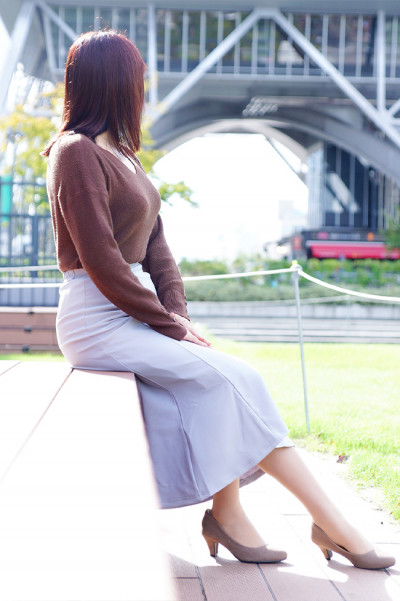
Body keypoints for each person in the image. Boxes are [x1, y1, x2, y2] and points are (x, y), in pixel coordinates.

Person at [43, 30, 394, 570]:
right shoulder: (75, 153)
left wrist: (177, 315)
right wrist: (170, 326)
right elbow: (102, 261)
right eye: (138, 78)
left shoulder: (125, 155)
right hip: (97, 317)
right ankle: (328, 522)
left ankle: (231, 516)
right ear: (114, 82)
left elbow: (157, 249)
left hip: (131, 311)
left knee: (227, 382)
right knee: (235, 378)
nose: (143, 89)